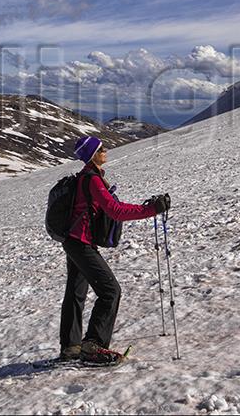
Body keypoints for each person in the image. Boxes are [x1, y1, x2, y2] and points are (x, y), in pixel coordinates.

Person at [60, 136, 170, 363]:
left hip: (74, 240)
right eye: (101, 148)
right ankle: (93, 347)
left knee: (75, 293)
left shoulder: (87, 178)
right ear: (92, 154)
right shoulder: (92, 179)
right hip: (80, 242)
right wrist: (151, 210)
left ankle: (71, 347)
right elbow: (116, 211)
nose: (106, 150)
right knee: (110, 291)